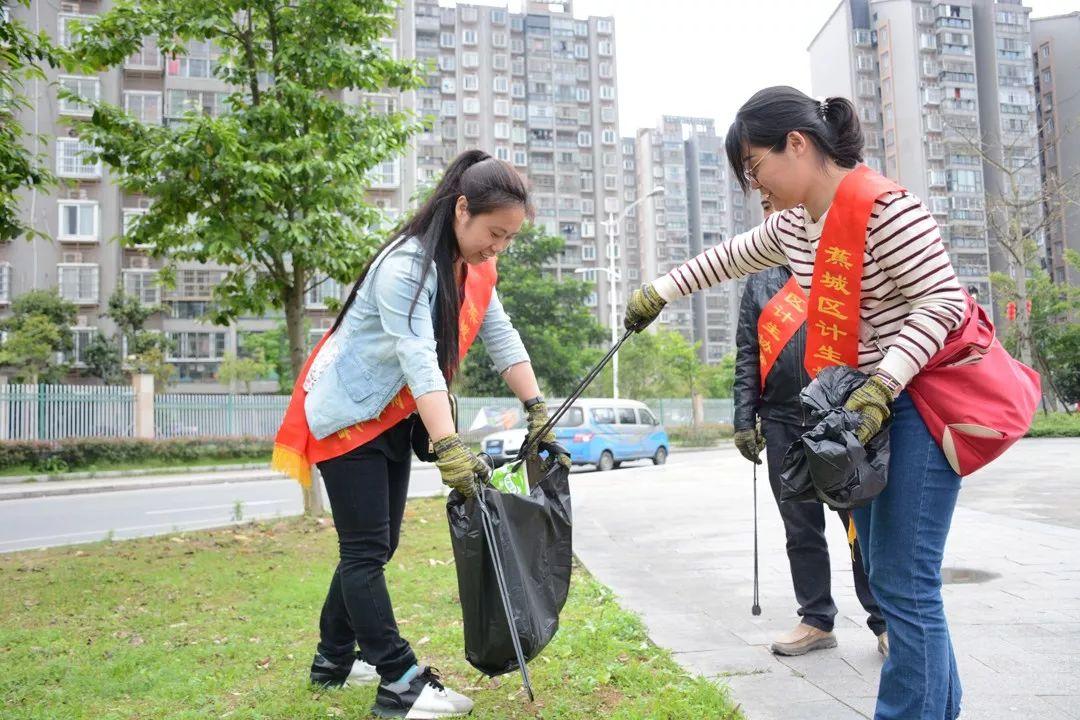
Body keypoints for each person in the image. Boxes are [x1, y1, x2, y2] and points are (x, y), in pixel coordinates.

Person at [624, 87, 968, 720]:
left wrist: (884, 383)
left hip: (916, 403)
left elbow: (945, 302)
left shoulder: (886, 209)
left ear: (799, 144)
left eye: (757, 169)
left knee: (903, 584)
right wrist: (658, 291)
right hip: (869, 412)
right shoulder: (796, 226)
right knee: (899, 582)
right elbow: (727, 258)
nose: (757, 187)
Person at [272, 150, 561, 719]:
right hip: (346, 414)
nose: (496, 248)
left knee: (378, 546)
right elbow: (419, 358)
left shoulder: (471, 268)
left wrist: (536, 406)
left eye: (508, 239)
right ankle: (399, 680)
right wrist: (450, 444)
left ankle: (333, 659)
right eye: (493, 233)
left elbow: (501, 336)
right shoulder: (406, 266)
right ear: (461, 210)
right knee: (365, 551)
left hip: (392, 418)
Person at [733, 195, 887, 657]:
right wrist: (745, 418)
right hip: (780, 420)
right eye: (764, 205)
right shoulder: (759, 282)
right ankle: (816, 618)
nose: (772, 211)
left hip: (837, 420)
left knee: (858, 523)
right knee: (799, 527)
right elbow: (747, 354)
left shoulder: (838, 266)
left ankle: (884, 620)